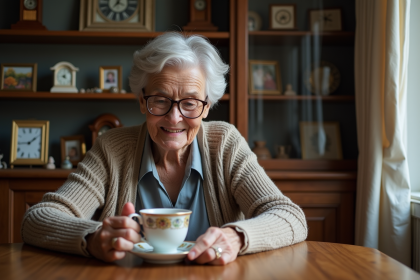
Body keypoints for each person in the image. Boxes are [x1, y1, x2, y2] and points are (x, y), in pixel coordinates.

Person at [21, 32, 307, 265]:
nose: (174, 118)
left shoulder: (224, 144)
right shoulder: (113, 148)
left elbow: (289, 216)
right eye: (160, 100)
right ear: (141, 101)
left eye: (190, 103)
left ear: (207, 107)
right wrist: (93, 238)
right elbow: (38, 219)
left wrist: (237, 237)